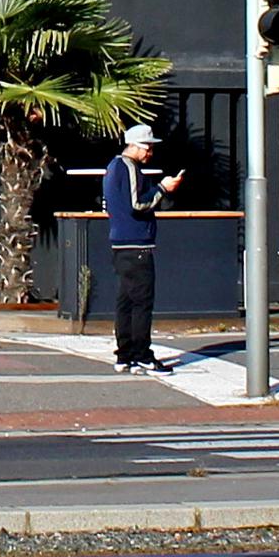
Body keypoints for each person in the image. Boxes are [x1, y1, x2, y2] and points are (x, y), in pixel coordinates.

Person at [103, 124, 181, 374]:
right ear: (135, 145)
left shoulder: (113, 168)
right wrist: (162, 188)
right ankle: (142, 354)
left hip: (120, 244)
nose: (151, 152)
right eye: (148, 147)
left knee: (125, 301)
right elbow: (138, 203)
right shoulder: (129, 167)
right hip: (137, 244)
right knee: (142, 302)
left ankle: (124, 354)